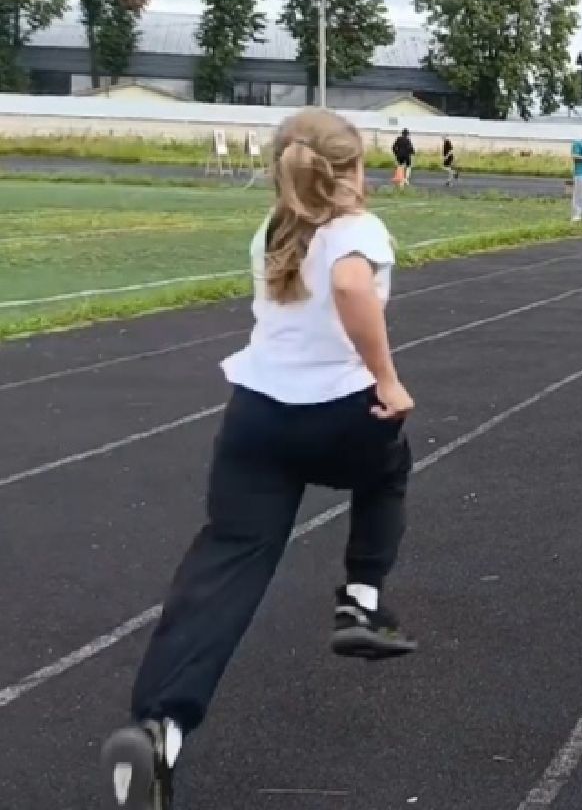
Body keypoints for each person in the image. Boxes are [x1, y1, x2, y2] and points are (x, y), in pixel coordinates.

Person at [101, 108, 419, 810]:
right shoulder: (356, 230)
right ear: (352, 172)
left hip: (256, 419)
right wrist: (388, 379)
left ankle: (161, 728)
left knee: (228, 562)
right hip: (342, 413)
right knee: (388, 469)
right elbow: (349, 286)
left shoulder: (274, 229)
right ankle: (361, 604)